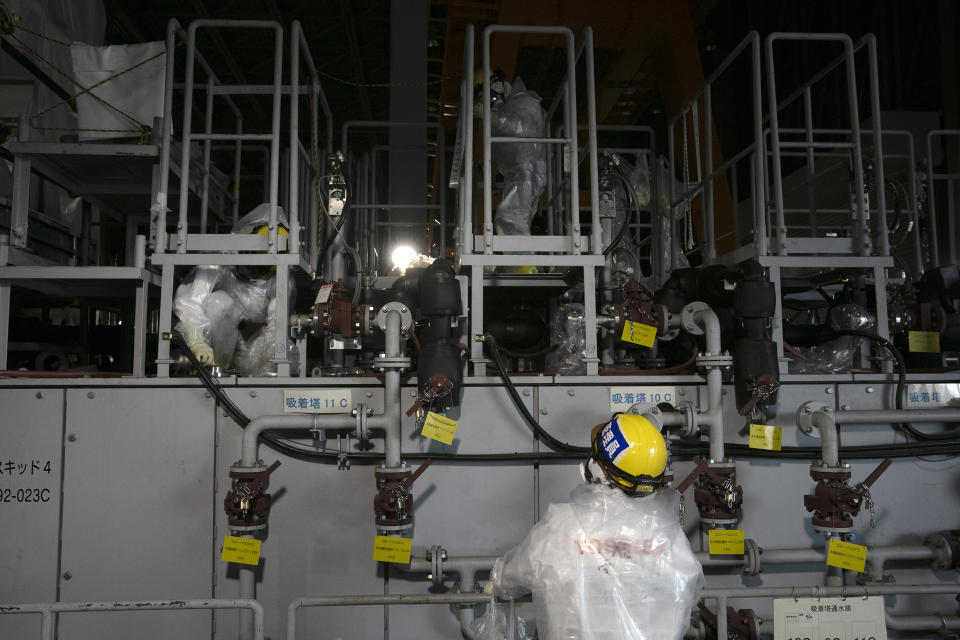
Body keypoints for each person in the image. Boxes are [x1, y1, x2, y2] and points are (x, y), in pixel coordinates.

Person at [482, 413, 703, 639]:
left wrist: (494, 582)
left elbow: (507, 580)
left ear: (597, 468)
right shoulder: (670, 537)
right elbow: (688, 591)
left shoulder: (561, 526)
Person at [174, 204, 298, 376]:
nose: (261, 277)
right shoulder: (220, 260)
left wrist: (266, 366)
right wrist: (197, 342)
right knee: (218, 302)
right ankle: (208, 370)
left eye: (268, 272)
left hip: (254, 341)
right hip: (214, 343)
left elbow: (276, 327)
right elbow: (189, 301)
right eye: (259, 269)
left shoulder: (281, 278)